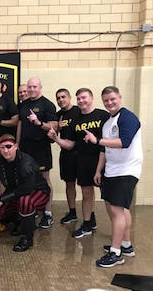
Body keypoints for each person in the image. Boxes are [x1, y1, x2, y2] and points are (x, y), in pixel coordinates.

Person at [83, 86, 142, 267]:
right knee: (120, 209)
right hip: (111, 171)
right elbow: (104, 149)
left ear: (119, 98)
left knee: (117, 211)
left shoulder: (128, 117)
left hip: (126, 171)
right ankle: (125, 245)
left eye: (112, 99)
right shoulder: (108, 122)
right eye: (106, 100)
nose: (109, 103)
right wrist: (99, 170)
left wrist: (97, 140)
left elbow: (124, 142)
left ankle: (116, 254)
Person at [48, 88, 109, 238]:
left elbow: (115, 137)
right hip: (83, 160)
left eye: (84, 98)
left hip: (105, 159)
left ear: (91, 98)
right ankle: (87, 223)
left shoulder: (103, 116)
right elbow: (70, 144)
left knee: (110, 198)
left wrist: (98, 141)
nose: (81, 101)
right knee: (86, 193)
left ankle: (120, 235)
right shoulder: (75, 120)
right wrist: (56, 138)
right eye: (79, 98)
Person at [17, 77, 58, 229]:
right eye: (30, 87)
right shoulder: (24, 104)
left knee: (44, 179)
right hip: (25, 147)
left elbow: (54, 127)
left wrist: (39, 123)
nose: (32, 89)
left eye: (35, 86)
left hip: (41, 147)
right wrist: (17, 143)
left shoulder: (47, 105)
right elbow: (20, 124)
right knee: (27, 179)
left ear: (40, 87)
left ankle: (47, 214)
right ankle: (31, 209)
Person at [55, 88, 81, 224]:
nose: (61, 100)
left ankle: (91, 216)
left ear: (70, 97)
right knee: (69, 184)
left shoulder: (78, 111)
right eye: (58, 98)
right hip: (66, 154)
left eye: (63, 97)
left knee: (86, 187)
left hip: (81, 153)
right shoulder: (58, 115)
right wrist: (58, 128)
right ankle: (72, 212)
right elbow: (54, 134)